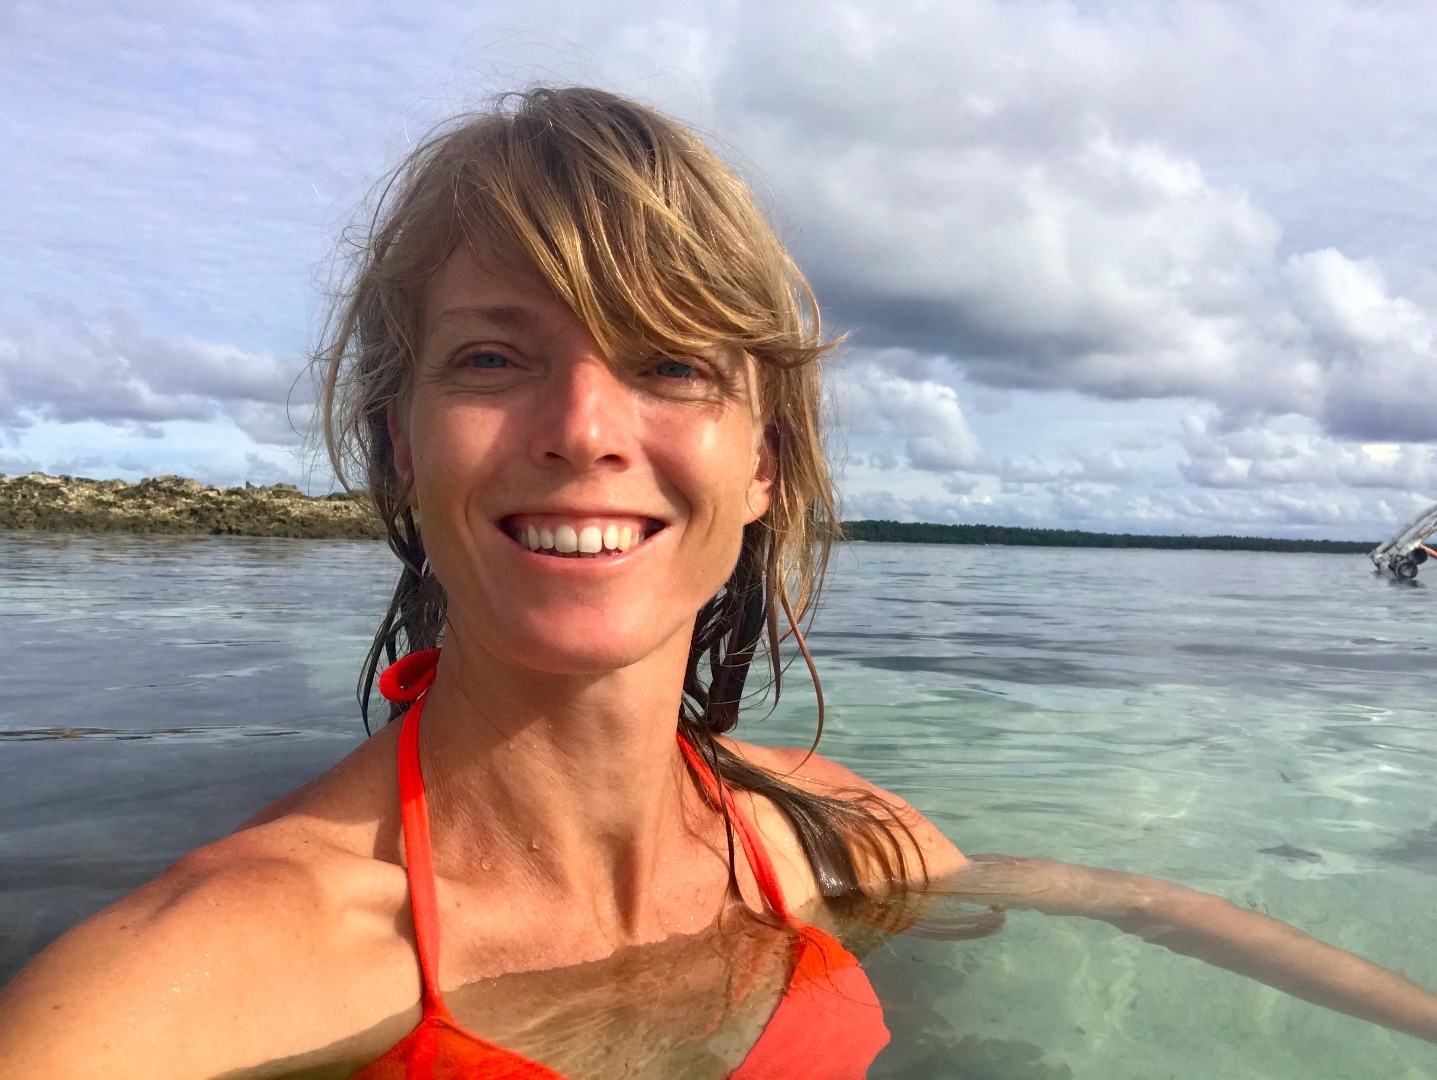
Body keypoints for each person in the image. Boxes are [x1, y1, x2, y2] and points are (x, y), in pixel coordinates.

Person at [1, 87, 1434, 1079]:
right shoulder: (194, 981)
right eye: (492, 358)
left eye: (672, 362)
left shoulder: (817, 837)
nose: (583, 427)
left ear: (763, 466)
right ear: (400, 447)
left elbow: (1127, 900)